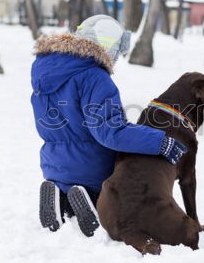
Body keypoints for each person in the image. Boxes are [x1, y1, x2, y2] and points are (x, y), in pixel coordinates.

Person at [30, 15, 187, 236]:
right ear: (110, 47)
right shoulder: (95, 77)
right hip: (91, 164)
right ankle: (92, 206)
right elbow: (110, 131)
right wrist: (161, 142)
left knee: (70, 189)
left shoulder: (46, 72)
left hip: (53, 162)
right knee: (110, 201)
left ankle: (61, 197)